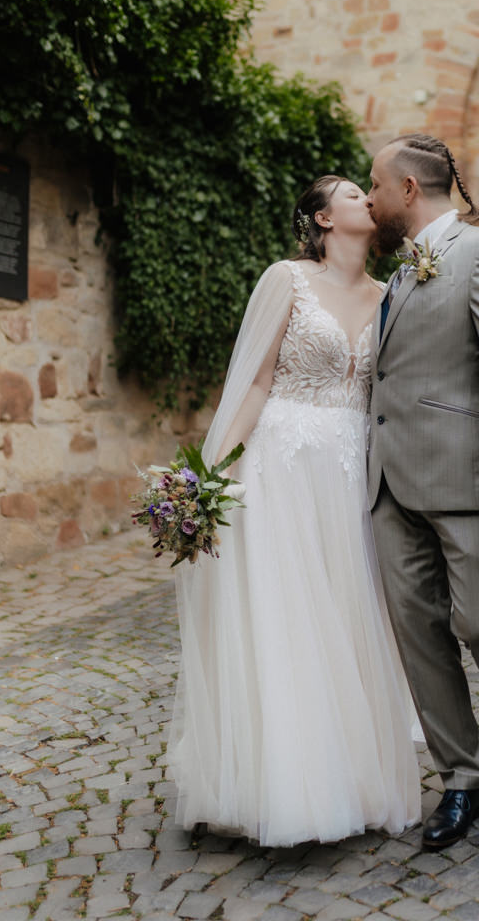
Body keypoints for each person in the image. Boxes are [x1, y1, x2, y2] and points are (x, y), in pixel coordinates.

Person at [165, 176, 420, 847]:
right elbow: (253, 382)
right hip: (283, 463)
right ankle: (288, 787)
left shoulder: (391, 293)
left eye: (369, 190)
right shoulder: (287, 279)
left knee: (351, 615)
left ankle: (354, 778)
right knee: (291, 621)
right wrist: (208, 479)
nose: (368, 196)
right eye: (350, 192)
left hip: (352, 472)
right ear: (321, 217)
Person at [365, 133, 479, 849]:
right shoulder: (399, 274)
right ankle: (462, 777)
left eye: (376, 184)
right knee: (421, 637)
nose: (372, 196)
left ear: (409, 189)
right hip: (391, 486)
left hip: (469, 476)